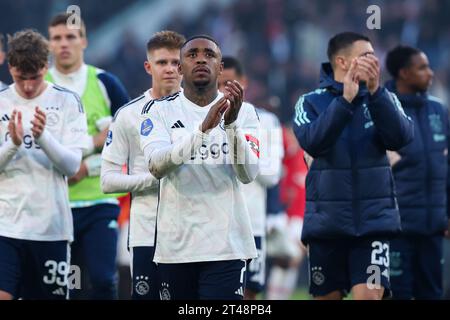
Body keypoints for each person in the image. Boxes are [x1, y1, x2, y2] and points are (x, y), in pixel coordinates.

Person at [293, 32, 414, 300]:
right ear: (342, 62)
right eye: (366, 56)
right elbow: (313, 142)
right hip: (327, 226)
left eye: (374, 55)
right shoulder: (310, 102)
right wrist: (344, 102)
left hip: (372, 225)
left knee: (369, 297)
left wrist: (375, 93)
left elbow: (403, 137)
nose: (374, 61)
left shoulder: (384, 97)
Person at [140, 35, 259, 300]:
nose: (201, 58)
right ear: (180, 68)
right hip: (176, 247)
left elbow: (248, 174)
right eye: (192, 55)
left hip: (227, 246)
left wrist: (231, 126)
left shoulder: (246, 112)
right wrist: (202, 132)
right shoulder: (157, 111)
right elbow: (156, 166)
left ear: (220, 67)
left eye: (209, 55)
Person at [0, 29, 88, 300]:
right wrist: (13, 144)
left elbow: (73, 166)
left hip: (51, 229)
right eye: (20, 78)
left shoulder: (67, 101)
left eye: (34, 77)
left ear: (46, 66)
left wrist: (43, 137)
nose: (27, 86)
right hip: (5, 226)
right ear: (10, 67)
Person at [47, 13, 130, 299]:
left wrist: (88, 165)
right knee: (69, 287)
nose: (64, 44)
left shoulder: (106, 83)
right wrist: (94, 140)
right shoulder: (38, 86)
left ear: (83, 40)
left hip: (100, 202)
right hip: (55, 207)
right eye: (57, 38)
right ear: (48, 44)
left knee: (102, 279)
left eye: (70, 37)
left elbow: (130, 138)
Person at [101, 30, 185, 300]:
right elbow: (108, 180)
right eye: (162, 63)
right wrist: (151, 179)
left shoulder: (202, 112)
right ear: (149, 66)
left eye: (176, 62)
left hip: (193, 234)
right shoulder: (128, 115)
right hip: (147, 233)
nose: (170, 69)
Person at [385, 45, 450, 300]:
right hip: (397, 228)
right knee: (397, 294)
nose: (430, 73)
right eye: (422, 68)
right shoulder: (383, 109)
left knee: (432, 294)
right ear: (404, 73)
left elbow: (446, 167)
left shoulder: (438, 110)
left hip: (433, 226)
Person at [218, 56, 283, 300]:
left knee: (248, 293)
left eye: (230, 82)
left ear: (244, 82)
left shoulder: (267, 121)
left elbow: (271, 175)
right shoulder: (206, 121)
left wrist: (242, 158)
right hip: (216, 222)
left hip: (251, 222)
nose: (225, 89)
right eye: (220, 83)